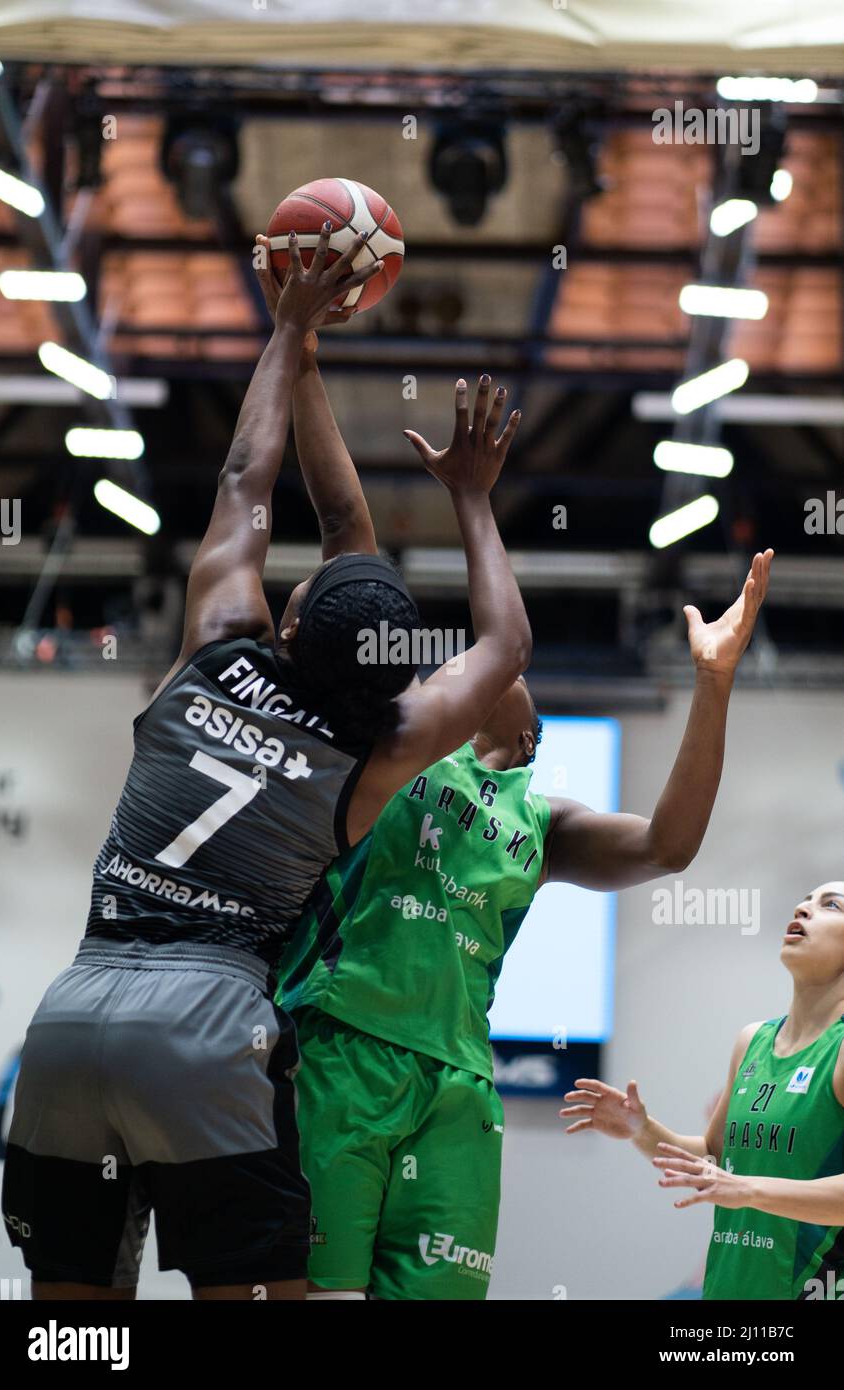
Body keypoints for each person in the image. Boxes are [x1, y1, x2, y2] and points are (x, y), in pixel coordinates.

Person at [1, 223, 531, 1302]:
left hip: (68, 1016)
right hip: (207, 1030)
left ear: (285, 628)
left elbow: (250, 480)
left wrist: (288, 327)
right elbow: (505, 647)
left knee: (65, 1324)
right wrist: (474, 499)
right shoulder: (374, 750)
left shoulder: (212, 655)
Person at [264, 249, 774, 1296]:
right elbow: (344, 527)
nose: (488, 665)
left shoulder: (534, 817)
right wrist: (300, 350)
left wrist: (712, 686)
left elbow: (670, 844)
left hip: (457, 1087)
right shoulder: (390, 745)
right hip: (338, 1052)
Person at [560, 882, 844, 1300]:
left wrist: (748, 1189)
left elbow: (734, 1185)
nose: (803, 909)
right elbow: (712, 1162)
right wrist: (642, 1129)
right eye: (804, 899)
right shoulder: (753, 1041)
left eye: (830, 905)